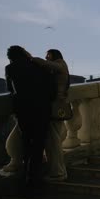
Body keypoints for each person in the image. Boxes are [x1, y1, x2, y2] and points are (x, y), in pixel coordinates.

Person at [5, 45, 54, 189]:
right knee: (38, 144)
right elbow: (51, 88)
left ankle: (27, 178)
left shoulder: (10, 68)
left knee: (27, 142)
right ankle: (34, 179)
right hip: (42, 109)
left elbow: (10, 89)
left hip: (23, 110)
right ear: (24, 53)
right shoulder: (38, 66)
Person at [31, 49, 70, 182]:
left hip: (55, 107)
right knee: (54, 140)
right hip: (56, 106)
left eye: (48, 55)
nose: (46, 57)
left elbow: (47, 65)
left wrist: (31, 58)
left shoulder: (60, 63)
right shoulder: (59, 67)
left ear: (55, 55)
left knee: (53, 141)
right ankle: (59, 171)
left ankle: (57, 173)